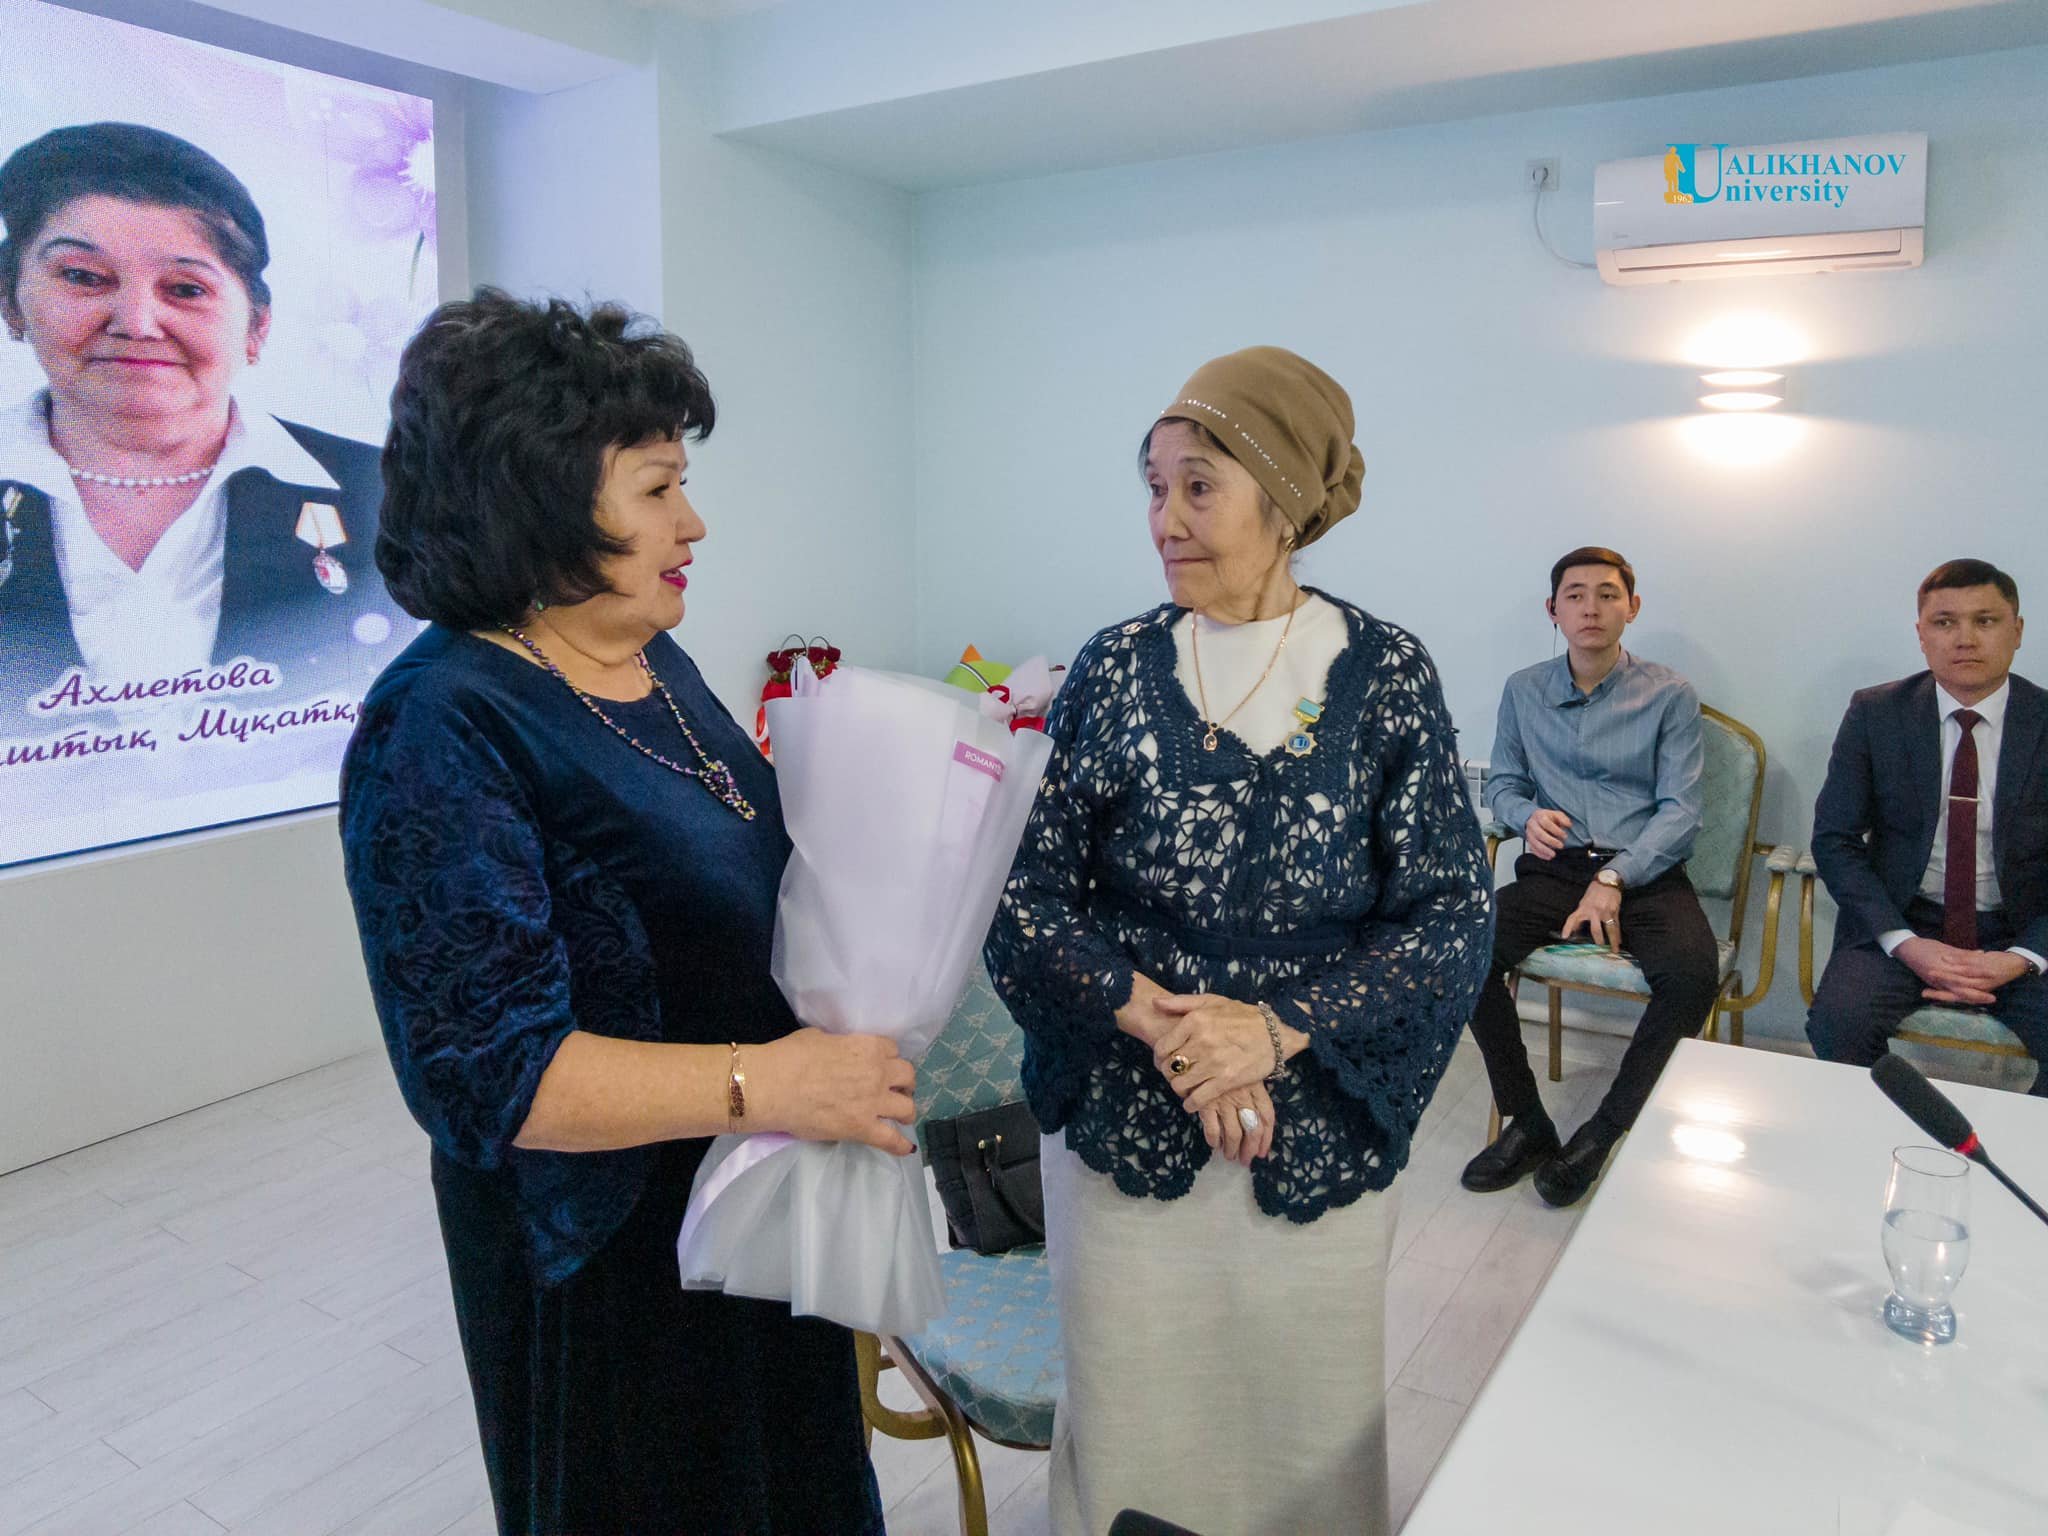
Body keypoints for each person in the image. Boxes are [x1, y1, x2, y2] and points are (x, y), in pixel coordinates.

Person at [339, 290, 906, 1534]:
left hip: (752, 1205)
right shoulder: (439, 723)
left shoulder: (649, 656)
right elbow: (489, 1078)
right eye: (656, 489)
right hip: (610, 1268)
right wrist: (771, 1082)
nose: (692, 523)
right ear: (537, 496)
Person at [985, 346, 1493, 1536]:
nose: (1164, 520)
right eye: (1153, 487)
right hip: (1127, 1113)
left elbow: (1448, 916)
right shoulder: (1112, 668)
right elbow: (1024, 898)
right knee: (1134, 1422)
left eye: (1198, 487)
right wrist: (1168, 1027)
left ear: (1282, 496)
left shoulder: (1386, 674)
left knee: (1302, 1432)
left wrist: (1270, 1032)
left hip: (1312, 1117)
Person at [0, 122, 401, 726]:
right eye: (83, 277)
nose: (136, 323)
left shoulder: (385, 488)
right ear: (12, 302)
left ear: (257, 326)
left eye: (186, 288)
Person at [1461, 547, 1717, 1207]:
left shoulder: (1670, 694)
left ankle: (1603, 1132)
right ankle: (1527, 1122)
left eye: (1608, 594)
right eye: (1575, 595)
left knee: (1692, 975)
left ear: (1633, 607)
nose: (1591, 608)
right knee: (1464, 952)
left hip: (1644, 871)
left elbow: (1681, 811)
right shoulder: (1524, 690)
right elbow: (1504, 784)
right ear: (1553, 610)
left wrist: (1617, 878)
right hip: (1557, 868)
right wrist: (1525, 815)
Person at [1806, 558, 2048, 1089]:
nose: (1965, 638)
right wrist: (1905, 942)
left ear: (2017, 631)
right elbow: (1835, 840)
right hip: (1905, 921)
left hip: (2021, 928)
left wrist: (2021, 957)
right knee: (1838, 1026)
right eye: (1944, 622)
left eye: (1985, 621)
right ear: (1921, 635)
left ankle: (2019, 1141)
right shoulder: (1876, 713)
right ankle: (1887, 1133)